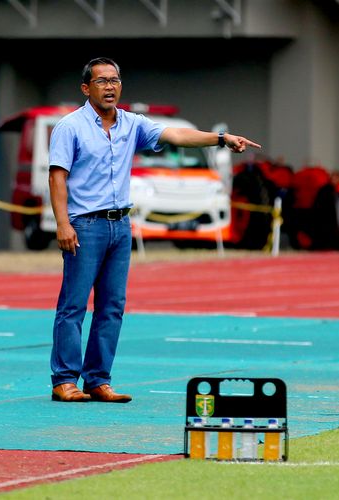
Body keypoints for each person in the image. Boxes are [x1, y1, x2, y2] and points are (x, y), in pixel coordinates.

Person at [48, 57, 261, 403]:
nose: (110, 87)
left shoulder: (132, 124)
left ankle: (98, 380)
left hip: (120, 225)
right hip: (85, 225)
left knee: (112, 306)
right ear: (86, 88)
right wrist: (62, 223)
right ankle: (64, 380)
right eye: (102, 81)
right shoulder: (69, 127)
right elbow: (57, 177)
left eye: (115, 80)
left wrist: (220, 139)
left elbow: (176, 135)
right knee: (73, 305)